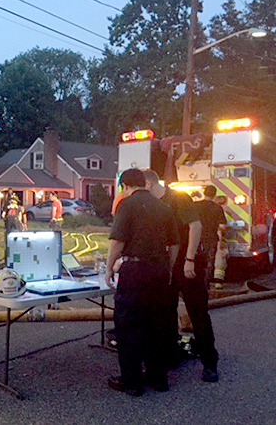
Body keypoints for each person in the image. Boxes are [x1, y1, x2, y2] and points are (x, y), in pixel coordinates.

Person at [105, 168, 180, 396]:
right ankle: (158, 378)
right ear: (144, 183)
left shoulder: (126, 205)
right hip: (159, 271)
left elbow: (117, 242)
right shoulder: (164, 207)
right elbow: (174, 243)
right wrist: (168, 268)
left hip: (135, 271)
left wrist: (109, 268)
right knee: (156, 325)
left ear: (125, 186)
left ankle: (132, 382)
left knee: (128, 326)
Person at [143, 170, 220, 383]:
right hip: (167, 264)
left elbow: (195, 226)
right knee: (166, 311)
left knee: (197, 313)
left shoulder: (179, 199)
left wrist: (189, 259)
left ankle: (210, 363)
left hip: (186, 263)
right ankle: (171, 356)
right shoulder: (152, 204)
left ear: (148, 184)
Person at [195, 185, 227, 288]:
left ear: (204, 193)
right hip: (211, 239)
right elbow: (222, 226)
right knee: (209, 262)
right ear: (214, 195)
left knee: (197, 260)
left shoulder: (195, 205)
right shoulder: (217, 207)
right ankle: (206, 284)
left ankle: (197, 283)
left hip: (197, 238)